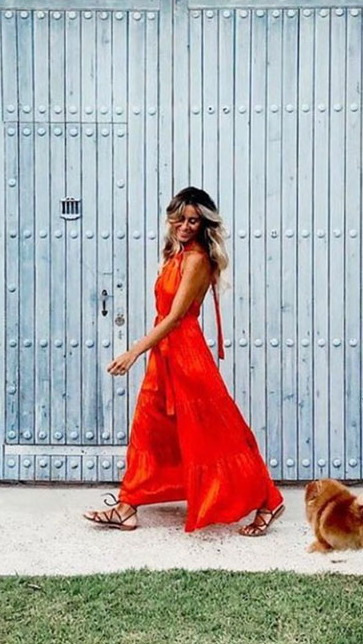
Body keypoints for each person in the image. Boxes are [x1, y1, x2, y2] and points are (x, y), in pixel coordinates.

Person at [84, 186, 284, 536]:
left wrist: (133, 352)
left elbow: (176, 318)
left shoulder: (197, 259)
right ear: (172, 217)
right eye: (181, 218)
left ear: (204, 224)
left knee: (218, 433)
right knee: (147, 428)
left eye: (194, 220)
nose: (186, 225)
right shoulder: (177, 255)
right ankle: (127, 506)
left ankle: (269, 500)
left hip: (186, 354)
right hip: (164, 355)